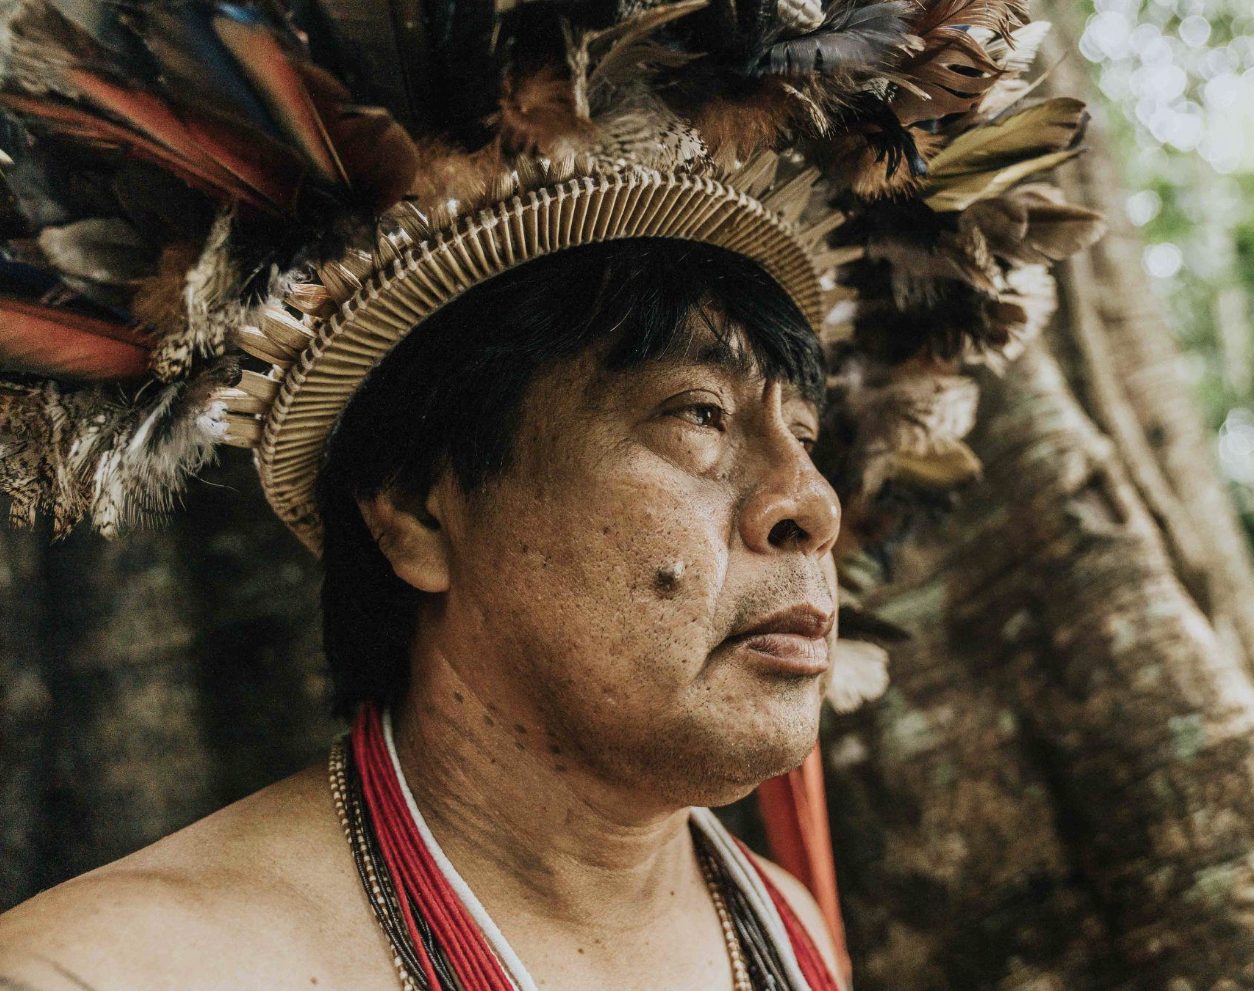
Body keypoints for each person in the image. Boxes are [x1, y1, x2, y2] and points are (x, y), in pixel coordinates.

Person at [0, 0, 1100, 987]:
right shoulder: (111, 968)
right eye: (699, 418)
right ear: (419, 512)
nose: (809, 504)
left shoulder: (781, 924)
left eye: (802, 435)